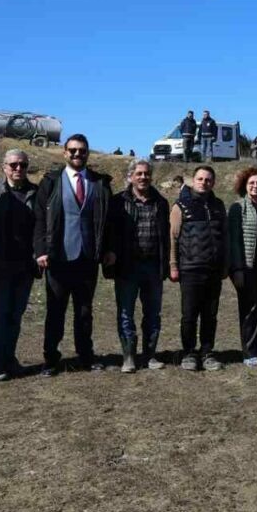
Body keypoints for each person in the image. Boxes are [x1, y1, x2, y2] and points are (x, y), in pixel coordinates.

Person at [34, 135, 113, 376]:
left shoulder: (100, 183)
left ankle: (85, 356)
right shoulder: (51, 181)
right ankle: (50, 359)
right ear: (64, 153)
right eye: (73, 150)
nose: (77, 154)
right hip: (58, 257)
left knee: (85, 311)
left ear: (88, 153)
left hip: (87, 257)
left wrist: (107, 249)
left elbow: (108, 220)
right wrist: (41, 250)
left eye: (82, 151)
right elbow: (39, 218)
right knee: (55, 311)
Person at [0, 149, 40, 381]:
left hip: (25, 266)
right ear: (4, 167)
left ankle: (9, 358)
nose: (18, 169)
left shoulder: (37, 193)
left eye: (23, 165)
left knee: (16, 315)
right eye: (13, 164)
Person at [107, 158, 170, 373]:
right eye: (139, 173)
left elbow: (166, 236)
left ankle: (150, 355)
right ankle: (129, 357)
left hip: (153, 266)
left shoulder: (161, 202)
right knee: (126, 313)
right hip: (127, 267)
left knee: (153, 314)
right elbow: (110, 232)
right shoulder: (118, 202)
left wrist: (167, 264)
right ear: (131, 177)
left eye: (147, 173)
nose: (143, 177)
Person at [169, 165, 227, 371]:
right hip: (190, 268)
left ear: (213, 182)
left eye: (208, 179)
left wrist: (225, 265)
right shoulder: (180, 206)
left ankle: (207, 352)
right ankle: (189, 352)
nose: (204, 182)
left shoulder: (219, 205)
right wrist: (173, 265)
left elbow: (224, 237)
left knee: (210, 315)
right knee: (189, 315)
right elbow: (173, 238)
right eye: (200, 179)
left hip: (213, 269)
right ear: (193, 181)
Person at [228, 167, 257, 367]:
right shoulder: (238, 208)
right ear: (245, 186)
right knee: (250, 310)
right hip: (248, 267)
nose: (255, 186)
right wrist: (237, 269)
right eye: (251, 183)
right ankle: (249, 351)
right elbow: (234, 241)